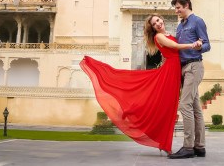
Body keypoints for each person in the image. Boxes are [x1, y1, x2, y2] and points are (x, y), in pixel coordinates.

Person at [80, 14, 201, 154]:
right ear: (153, 28)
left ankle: (163, 142)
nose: (158, 23)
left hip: (174, 72)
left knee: (168, 109)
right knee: (166, 108)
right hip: (170, 73)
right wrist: (193, 45)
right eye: (155, 23)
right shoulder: (159, 37)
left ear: (162, 19)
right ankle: (138, 119)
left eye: (158, 20)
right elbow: (174, 46)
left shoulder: (168, 34)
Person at [168, 0, 211, 159]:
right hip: (184, 68)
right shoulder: (180, 26)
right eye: (176, 8)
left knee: (184, 105)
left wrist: (200, 45)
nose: (177, 11)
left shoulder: (197, 21)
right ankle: (199, 147)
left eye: (178, 7)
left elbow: (207, 44)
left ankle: (188, 147)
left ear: (186, 5)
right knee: (195, 108)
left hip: (194, 66)